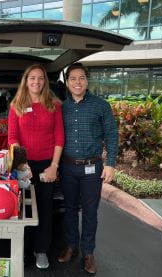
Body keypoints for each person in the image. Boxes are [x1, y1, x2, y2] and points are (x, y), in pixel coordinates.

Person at [57, 63, 118, 274]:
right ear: (67, 82)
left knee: (91, 212)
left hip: (93, 167)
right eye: (73, 78)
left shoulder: (101, 105)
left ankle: (89, 253)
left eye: (81, 78)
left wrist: (110, 164)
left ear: (87, 80)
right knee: (70, 210)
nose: (77, 82)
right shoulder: (61, 107)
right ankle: (72, 246)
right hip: (67, 167)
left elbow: (112, 134)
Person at [8, 64, 64, 269]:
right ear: (26, 80)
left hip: (46, 165)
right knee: (21, 209)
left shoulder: (54, 105)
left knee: (44, 208)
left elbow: (59, 138)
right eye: (32, 78)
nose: (36, 82)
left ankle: (41, 250)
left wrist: (54, 166)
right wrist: (21, 163)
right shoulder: (16, 105)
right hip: (23, 165)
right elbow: (12, 137)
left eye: (40, 78)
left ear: (45, 81)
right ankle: (21, 250)